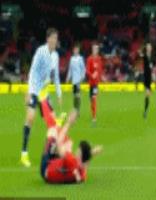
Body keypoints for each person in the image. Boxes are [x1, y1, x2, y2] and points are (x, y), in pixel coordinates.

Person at [38, 89, 103, 184]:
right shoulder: (82, 175)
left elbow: (59, 142)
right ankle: (45, 106)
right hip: (58, 167)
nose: (76, 151)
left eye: (78, 151)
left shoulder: (72, 161)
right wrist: (93, 152)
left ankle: (42, 100)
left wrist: (69, 122)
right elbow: (85, 162)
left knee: (53, 130)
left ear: (80, 155)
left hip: (46, 168)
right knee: (67, 140)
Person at [21, 28, 62, 168]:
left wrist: (59, 93)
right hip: (34, 89)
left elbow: (55, 76)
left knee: (53, 125)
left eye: (56, 38)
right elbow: (32, 70)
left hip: (44, 92)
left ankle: (52, 155)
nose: (54, 41)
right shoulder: (40, 51)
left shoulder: (55, 56)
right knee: (30, 118)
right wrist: (29, 90)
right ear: (47, 39)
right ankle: (24, 154)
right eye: (52, 38)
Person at [86, 42, 103, 125]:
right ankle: (93, 114)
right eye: (94, 49)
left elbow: (100, 69)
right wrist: (91, 75)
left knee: (94, 99)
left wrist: (98, 77)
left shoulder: (99, 59)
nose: (95, 50)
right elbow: (87, 70)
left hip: (95, 84)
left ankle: (94, 117)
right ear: (92, 50)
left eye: (96, 49)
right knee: (91, 100)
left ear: (98, 50)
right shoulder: (89, 59)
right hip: (91, 83)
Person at [66, 43, 86, 113]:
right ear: (73, 50)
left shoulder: (80, 58)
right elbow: (70, 69)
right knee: (75, 96)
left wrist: (82, 77)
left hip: (78, 80)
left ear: (78, 50)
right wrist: (68, 77)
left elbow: (83, 69)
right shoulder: (71, 59)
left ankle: (78, 110)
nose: (76, 51)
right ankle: (76, 109)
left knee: (78, 95)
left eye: (77, 49)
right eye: (75, 49)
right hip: (73, 81)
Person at [140, 42, 154, 119]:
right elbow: (140, 55)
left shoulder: (152, 57)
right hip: (146, 77)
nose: (149, 48)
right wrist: (142, 48)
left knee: (149, 95)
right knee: (147, 94)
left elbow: (151, 67)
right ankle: (145, 111)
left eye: (150, 46)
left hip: (150, 77)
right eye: (148, 46)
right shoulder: (145, 56)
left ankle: (146, 110)